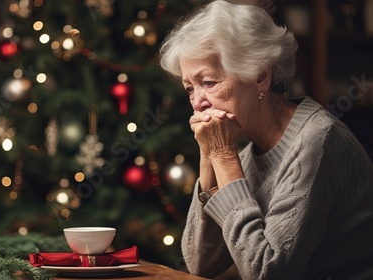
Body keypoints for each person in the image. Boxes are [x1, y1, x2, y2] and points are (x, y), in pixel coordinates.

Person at [159, 1, 373, 279]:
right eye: (190, 88)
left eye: (209, 83)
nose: (197, 103)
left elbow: (267, 273)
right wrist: (209, 155)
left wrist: (223, 155)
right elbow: (201, 263)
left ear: (260, 76)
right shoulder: (248, 153)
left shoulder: (317, 141)